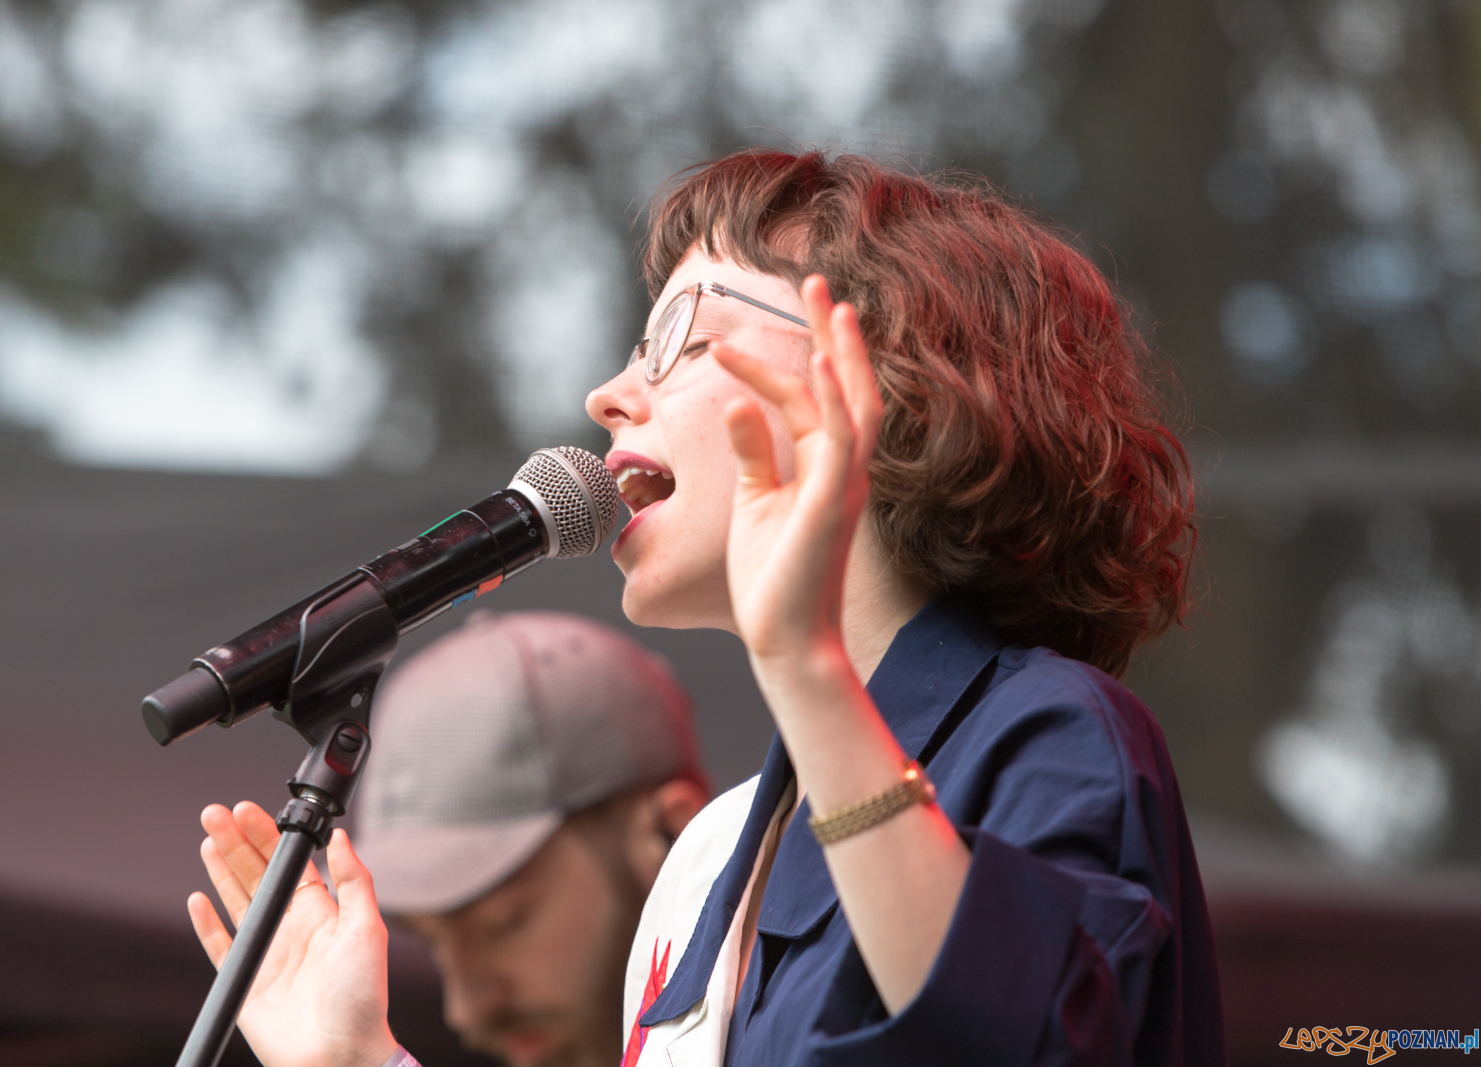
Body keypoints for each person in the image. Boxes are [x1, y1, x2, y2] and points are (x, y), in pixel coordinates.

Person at [194, 148, 1225, 1067]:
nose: (607, 393)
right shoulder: (709, 861)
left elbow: (1009, 1036)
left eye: (680, 339)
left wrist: (803, 662)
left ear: (876, 378)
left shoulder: (1049, 731)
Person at [190, 611, 709, 1067]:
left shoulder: (787, 1026)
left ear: (674, 834)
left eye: (503, 921)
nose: (465, 1008)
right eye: (433, 943)